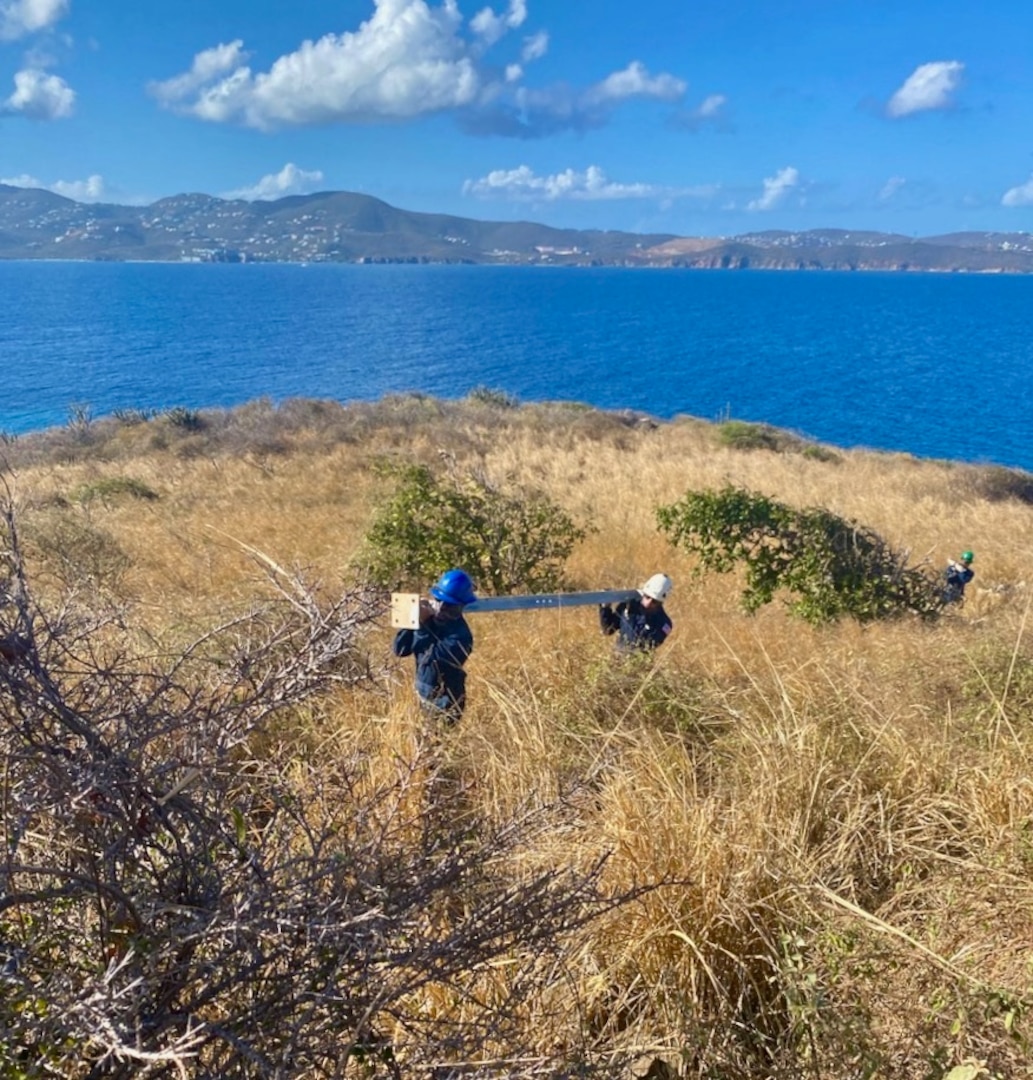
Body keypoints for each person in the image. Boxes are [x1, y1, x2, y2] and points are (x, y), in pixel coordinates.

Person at [392, 568, 477, 722]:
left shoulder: (461, 637)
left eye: (450, 606)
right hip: (421, 696)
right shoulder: (428, 619)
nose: (442, 608)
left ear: (461, 606)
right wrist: (412, 620)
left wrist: (422, 625)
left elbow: (430, 661)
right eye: (439, 601)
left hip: (445, 703)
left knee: (438, 743)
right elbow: (400, 649)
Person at [600, 573, 673, 652]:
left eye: (654, 602)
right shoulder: (628, 606)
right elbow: (608, 630)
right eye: (647, 597)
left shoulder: (664, 624)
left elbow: (647, 646)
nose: (648, 603)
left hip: (639, 662)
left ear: (660, 603)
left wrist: (646, 620)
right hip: (616, 659)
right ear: (644, 594)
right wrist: (605, 608)